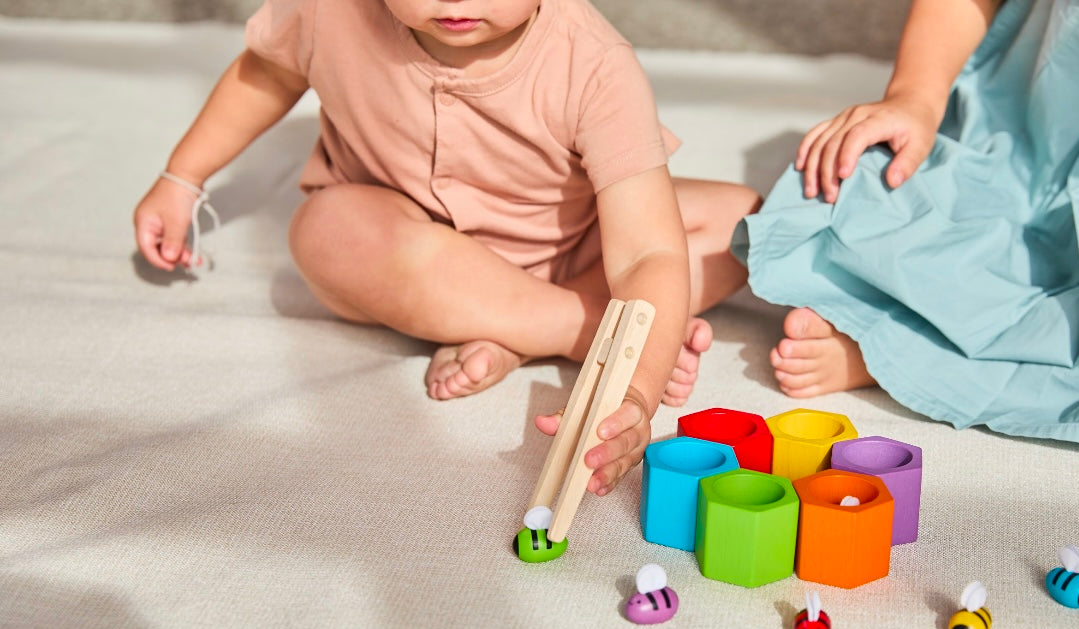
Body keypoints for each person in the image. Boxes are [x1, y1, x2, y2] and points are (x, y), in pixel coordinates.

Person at [133, 0, 758, 495]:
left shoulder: (593, 62)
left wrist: (633, 393)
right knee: (325, 229)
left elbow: (647, 253)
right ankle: (584, 328)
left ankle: (514, 326)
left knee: (740, 224)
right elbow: (267, 70)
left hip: (573, 244)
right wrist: (181, 176)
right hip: (409, 244)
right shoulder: (330, 9)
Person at [732, 0, 1079, 477]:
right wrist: (915, 98)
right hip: (1014, 153)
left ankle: (902, 351)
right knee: (845, 183)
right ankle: (915, 343)